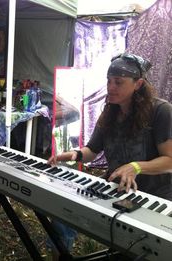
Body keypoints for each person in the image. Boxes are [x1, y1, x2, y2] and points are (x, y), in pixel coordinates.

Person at [47, 53, 172, 259]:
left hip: (154, 196)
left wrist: (136, 167)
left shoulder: (161, 111)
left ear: (138, 84)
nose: (111, 87)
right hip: (114, 188)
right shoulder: (110, 112)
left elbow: (170, 161)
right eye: (109, 81)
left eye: (118, 82)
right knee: (63, 210)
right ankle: (60, 256)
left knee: (137, 247)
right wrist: (70, 155)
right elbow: (92, 151)